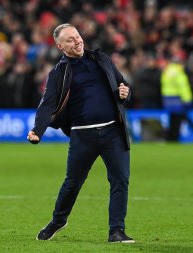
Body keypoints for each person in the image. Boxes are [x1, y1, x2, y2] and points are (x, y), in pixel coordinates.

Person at [27, 23, 134, 243]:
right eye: (70, 39)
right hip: (83, 135)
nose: (77, 41)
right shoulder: (59, 72)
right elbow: (47, 104)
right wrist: (38, 130)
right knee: (72, 183)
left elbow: (121, 84)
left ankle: (116, 231)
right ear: (60, 46)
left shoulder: (101, 59)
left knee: (120, 180)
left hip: (113, 130)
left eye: (77, 36)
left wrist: (125, 92)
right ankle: (58, 220)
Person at [161, 59, 193, 142]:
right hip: (177, 100)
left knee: (172, 120)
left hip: (168, 100)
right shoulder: (179, 72)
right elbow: (183, 87)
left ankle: (170, 138)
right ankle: (175, 139)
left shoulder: (166, 72)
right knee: (178, 120)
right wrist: (188, 100)